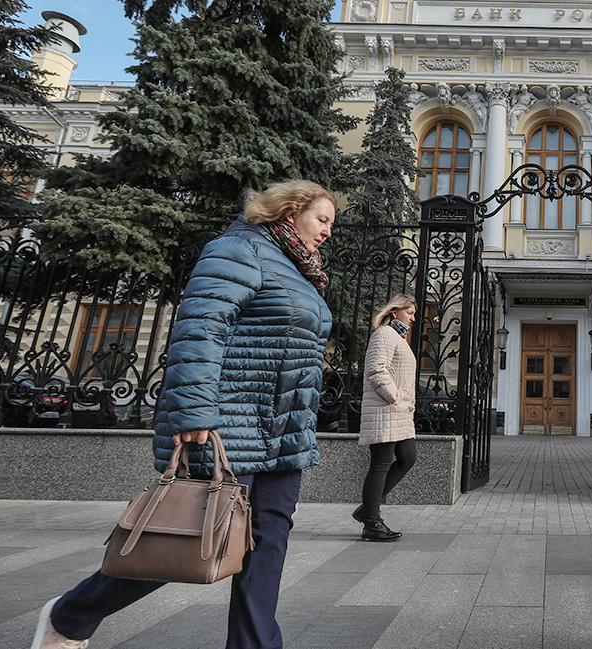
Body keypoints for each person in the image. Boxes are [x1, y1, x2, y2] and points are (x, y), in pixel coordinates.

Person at [30, 180, 342, 649]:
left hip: (284, 433)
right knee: (183, 543)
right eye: (323, 219)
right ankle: (69, 615)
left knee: (267, 549)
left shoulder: (300, 270)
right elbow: (200, 330)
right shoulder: (238, 250)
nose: (328, 232)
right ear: (289, 211)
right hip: (230, 426)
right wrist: (194, 412)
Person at [351, 293, 419, 542]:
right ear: (395, 311)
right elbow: (376, 370)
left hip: (397, 413)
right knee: (380, 464)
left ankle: (367, 509)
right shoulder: (384, 334)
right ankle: (372, 522)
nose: (413, 318)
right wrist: (396, 397)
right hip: (385, 410)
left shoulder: (397, 336)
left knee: (407, 457)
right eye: (409, 312)